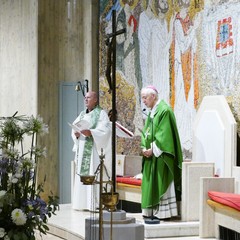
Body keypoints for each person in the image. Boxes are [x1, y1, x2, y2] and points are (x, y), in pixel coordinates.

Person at [140, 85, 183, 220]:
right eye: (142, 98)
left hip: (161, 156)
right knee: (149, 183)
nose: (143, 101)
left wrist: (153, 149)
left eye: (145, 98)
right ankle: (151, 211)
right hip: (150, 156)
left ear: (153, 96)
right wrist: (143, 147)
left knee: (161, 181)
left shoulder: (164, 110)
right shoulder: (152, 111)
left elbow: (165, 135)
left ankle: (164, 213)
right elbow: (146, 132)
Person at [71, 91, 111, 211]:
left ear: (95, 100)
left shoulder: (101, 114)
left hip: (93, 150)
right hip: (83, 149)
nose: (86, 99)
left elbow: (105, 131)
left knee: (93, 173)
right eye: (85, 97)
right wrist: (76, 134)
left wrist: (91, 132)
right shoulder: (82, 115)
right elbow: (74, 127)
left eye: (88, 97)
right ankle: (81, 203)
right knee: (82, 176)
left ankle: (93, 203)